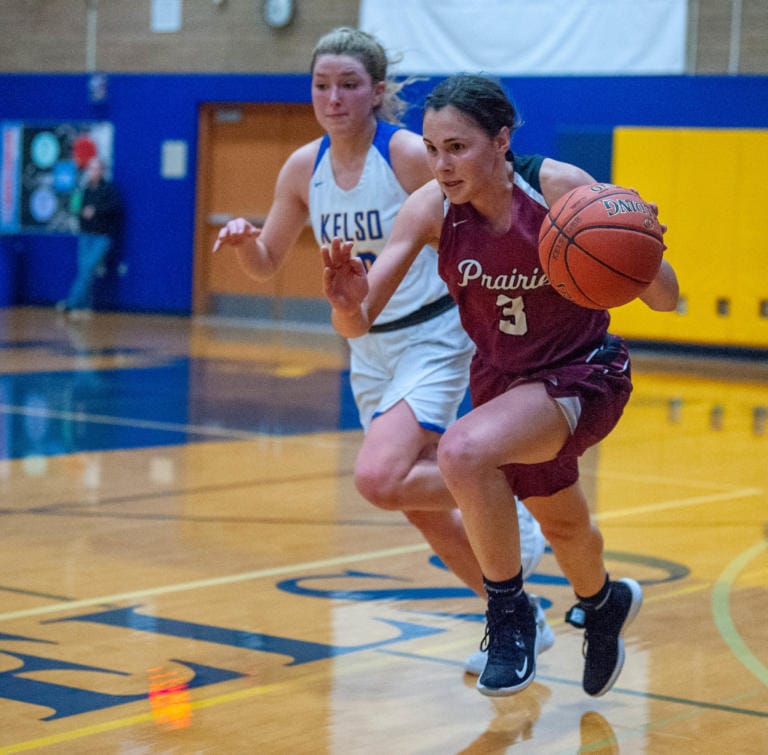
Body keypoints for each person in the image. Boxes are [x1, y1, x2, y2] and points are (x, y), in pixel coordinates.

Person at [322, 73, 680, 697]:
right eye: (432, 149)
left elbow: (667, 299)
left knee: (461, 450)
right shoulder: (430, 209)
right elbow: (357, 320)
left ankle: (508, 615)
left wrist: (640, 247)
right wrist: (347, 301)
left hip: (582, 372)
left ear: (501, 140)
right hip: (504, 387)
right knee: (564, 525)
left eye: (457, 147)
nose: (442, 164)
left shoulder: (559, 188)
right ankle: (603, 603)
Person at [212, 29, 554, 671]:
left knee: (378, 478)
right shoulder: (301, 168)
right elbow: (267, 262)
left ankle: (502, 487)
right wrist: (245, 241)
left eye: (348, 85)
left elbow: (480, 206)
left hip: (433, 333)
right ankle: (518, 618)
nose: (333, 98)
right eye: (321, 85)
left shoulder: (403, 154)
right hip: (366, 344)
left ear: (376, 92)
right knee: (421, 512)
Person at [57, 156, 122, 319]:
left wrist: (95, 211)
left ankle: (71, 304)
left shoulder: (109, 189)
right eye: (90, 168)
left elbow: (114, 208)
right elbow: (75, 208)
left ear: (102, 171)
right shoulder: (84, 190)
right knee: (84, 271)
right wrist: (82, 213)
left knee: (87, 268)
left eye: (96, 168)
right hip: (86, 235)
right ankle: (85, 307)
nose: (92, 172)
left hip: (102, 237)